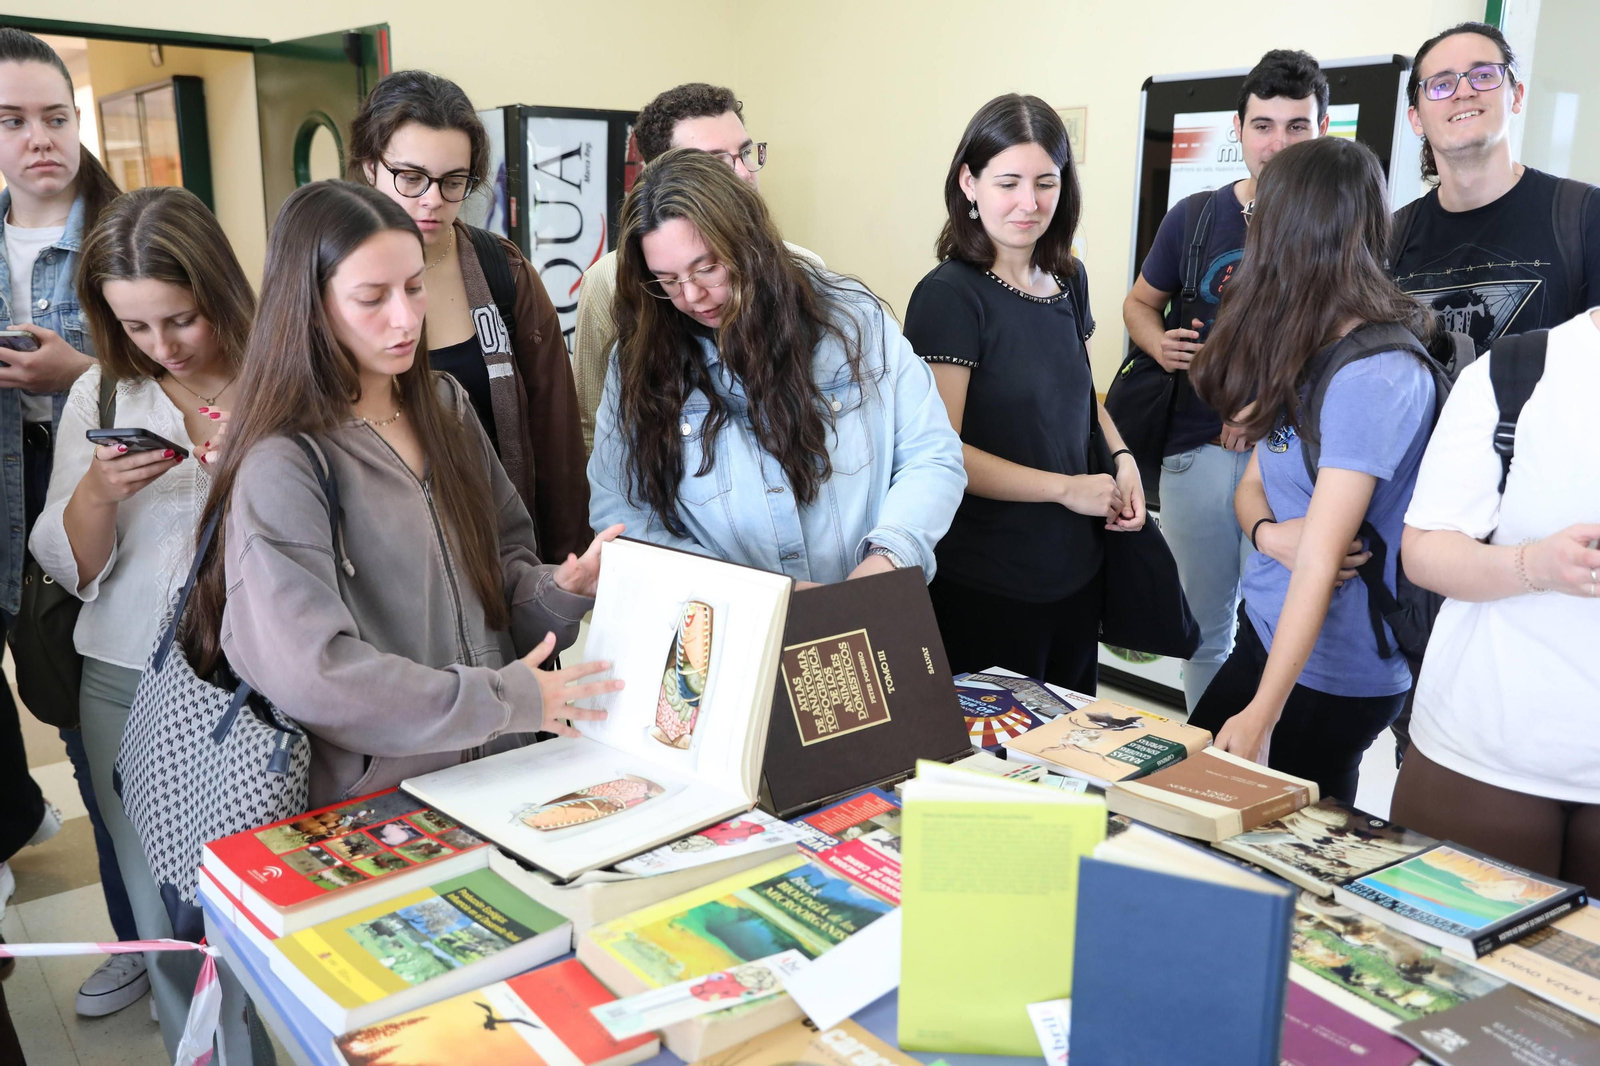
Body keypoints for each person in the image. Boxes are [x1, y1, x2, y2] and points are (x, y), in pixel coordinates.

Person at [180, 180, 622, 811]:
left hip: (506, 779)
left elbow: (500, 577)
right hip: (384, 805)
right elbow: (314, 672)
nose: (406, 317)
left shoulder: (446, 407)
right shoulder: (283, 461)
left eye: (414, 287)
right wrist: (503, 699)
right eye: (371, 298)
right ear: (309, 305)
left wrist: (560, 591)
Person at [28, 185, 255, 1050]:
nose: (160, 346)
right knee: (166, 916)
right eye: (134, 327)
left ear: (221, 292)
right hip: (125, 681)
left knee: (263, 905)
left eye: (181, 320)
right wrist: (94, 490)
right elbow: (71, 565)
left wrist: (256, 473)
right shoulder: (105, 395)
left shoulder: (288, 374)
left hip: (264, 683)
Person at [1187, 137, 1437, 805]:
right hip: (1268, 634)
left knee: (1276, 858)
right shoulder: (1304, 338)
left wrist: (1262, 714)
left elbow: (1323, 560)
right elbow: (1253, 487)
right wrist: (1272, 537)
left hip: (1333, 673)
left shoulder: (1377, 374)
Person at [587, 149, 963, 584]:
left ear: (749, 244)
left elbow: (932, 455)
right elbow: (623, 513)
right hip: (727, 625)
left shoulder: (852, 320)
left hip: (866, 605)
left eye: (707, 268)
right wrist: (761, 594)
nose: (691, 297)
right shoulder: (637, 362)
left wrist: (888, 559)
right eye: (667, 281)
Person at [0, 27, 146, 1022]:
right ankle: (137, 928)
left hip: (121, 525)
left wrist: (78, 377)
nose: (38, 139)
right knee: (67, 731)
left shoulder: (132, 231)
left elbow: (203, 375)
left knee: (127, 740)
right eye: (11, 121)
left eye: (56, 116)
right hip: (11, 530)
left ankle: (160, 932)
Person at [906, 94, 1143, 694]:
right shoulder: (948, 296)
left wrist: (1122, 456)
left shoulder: (1069, 277)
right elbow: (944, 451)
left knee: (1069, 762)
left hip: (1075, 568)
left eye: (1046, 182)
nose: (1028, 203)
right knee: (995, 775)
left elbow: (1080, 392)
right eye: (1008, 182)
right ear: (969, 182)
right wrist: (1066, 490)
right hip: (988, 576)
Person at [1122, 50, 1329, 711]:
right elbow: (1138, 303)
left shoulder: (1334, 226)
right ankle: (1212, 767)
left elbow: (1343, 345)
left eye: (1297, 126)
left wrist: (1266, 408)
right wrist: (1159, 344)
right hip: (1195, 454)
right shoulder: (1196, 215)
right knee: (1206, 632)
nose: (1278, 143)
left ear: (1323, 130)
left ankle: (1266, 763)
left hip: (1288, 458)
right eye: (1263, 125)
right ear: (1239, 129)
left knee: (1279, 628)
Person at [1390, 306, 1600, 892]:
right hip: (1483, 750)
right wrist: (1535, 564)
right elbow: (1424, 550)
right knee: (1433, 975)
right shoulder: (1519, 371)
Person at [349, 70, 590, 562]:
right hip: (385, 562)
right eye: (411, 178)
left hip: (500, 556)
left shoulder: (504, 273)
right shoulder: (327, 280)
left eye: (453, 181)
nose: (431, 199)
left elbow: (555, 438)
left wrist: (563, 574)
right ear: (370, 167)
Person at [572, 82, 821, 452]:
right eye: (715, 161)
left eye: (745, 153)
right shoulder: (609, 281)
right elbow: (594, 427)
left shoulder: (806, 270)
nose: (742, 174)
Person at [1392, 21, 1600, 348]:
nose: (1464, 91)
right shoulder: (1387, 239)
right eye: (1441, 84)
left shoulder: (1585, 216)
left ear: (1516, 96)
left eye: (1484, 75)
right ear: (1416, 118)